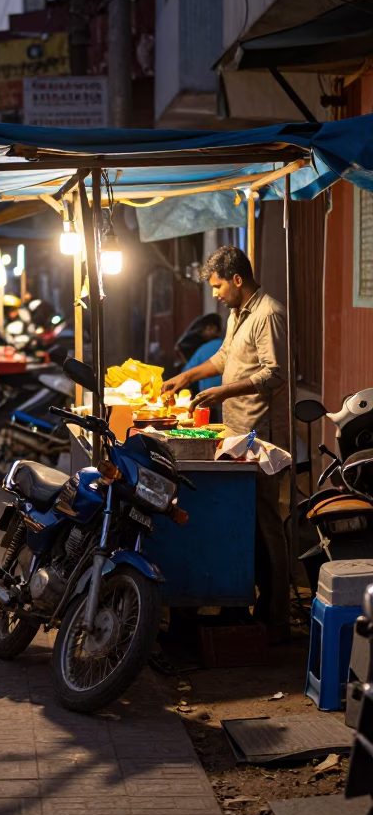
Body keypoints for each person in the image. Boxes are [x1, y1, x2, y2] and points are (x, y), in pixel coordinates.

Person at [162, 245, 290, 641]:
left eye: (218, 285)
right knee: (245, 522)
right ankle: (244, 607)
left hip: (261, 434)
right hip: (238, 433)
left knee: (267, 524)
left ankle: (276, 619)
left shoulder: (268, 313)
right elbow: (222, 357)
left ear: (237, 279)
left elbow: (275, 374)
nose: (215, 293)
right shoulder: (239, 313)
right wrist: (186, 377)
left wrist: (223, 393)